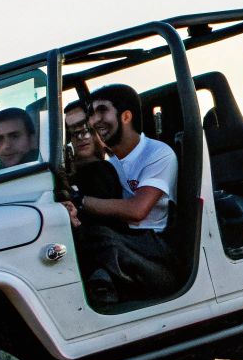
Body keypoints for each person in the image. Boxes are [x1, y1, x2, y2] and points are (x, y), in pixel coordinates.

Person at [66, 84, 179, 307]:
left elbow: (137, 211)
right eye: (92, 114)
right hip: (125, 240)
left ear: (126, 116)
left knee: (97, 236)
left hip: (154, 246)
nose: (94, 120)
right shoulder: (113, 163)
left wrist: (80, 202)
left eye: (102, 111)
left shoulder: (158, 153)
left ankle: (103, 285)